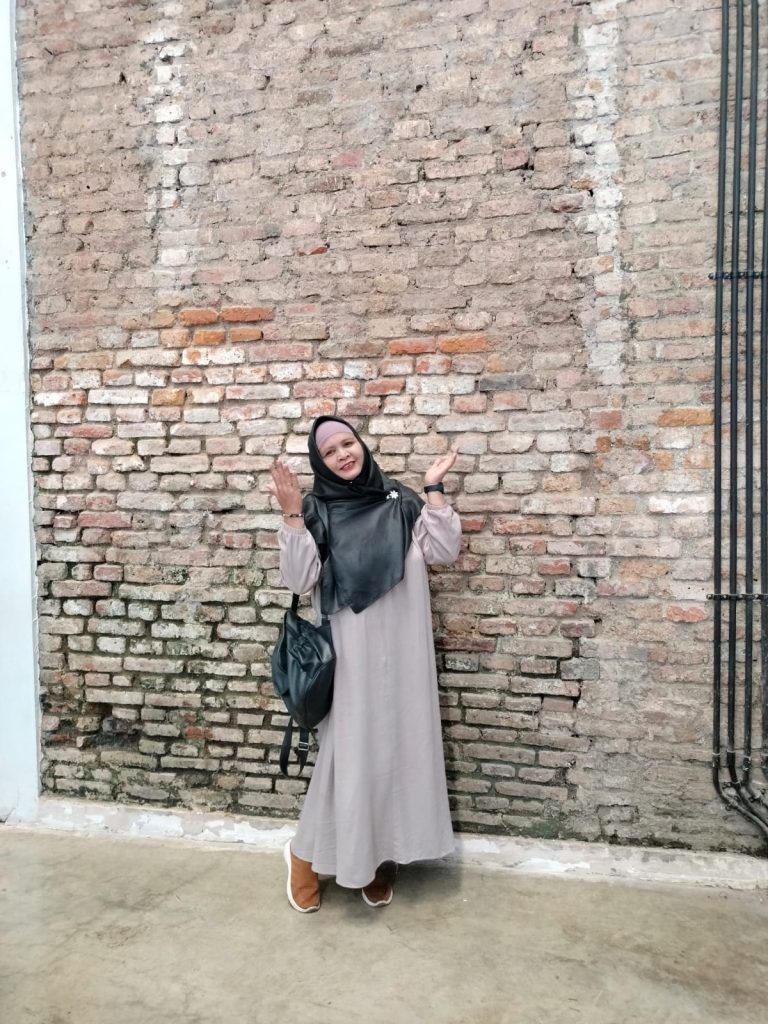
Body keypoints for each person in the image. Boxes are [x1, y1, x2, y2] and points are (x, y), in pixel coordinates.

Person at [268, 415, 462, 912]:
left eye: (347, 444)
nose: (343, 455)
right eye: (330, 452)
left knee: (397, 753)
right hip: (351, 654)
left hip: (406, 652)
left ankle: (377, 858)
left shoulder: (399, 500)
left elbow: (443, 550)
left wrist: (433, 490)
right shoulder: (315, 509)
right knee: (347, 759)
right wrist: (291, 515)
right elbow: (299, 580)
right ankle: (303, 856)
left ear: (361, 445)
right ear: (321, 463)